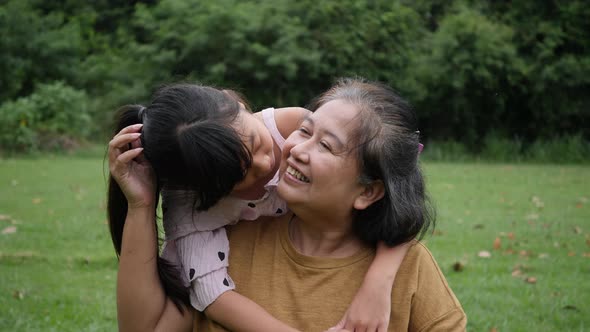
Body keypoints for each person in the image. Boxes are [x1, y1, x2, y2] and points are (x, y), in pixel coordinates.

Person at [107, 83, 411, 331]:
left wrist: (378, 284)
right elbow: (211, 294)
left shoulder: (297, 129)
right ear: (200, 190)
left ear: (238, 104)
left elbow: (398, 190)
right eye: (240, 178)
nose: (267, 164)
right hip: (231, 257)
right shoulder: (191, 206)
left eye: (255, 143)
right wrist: (141, 205)